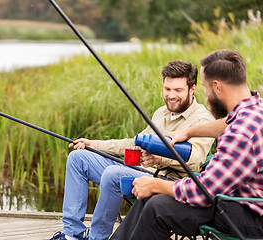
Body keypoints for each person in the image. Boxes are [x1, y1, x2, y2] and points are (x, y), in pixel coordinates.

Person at [50, 60, 215, 240]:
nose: (171, 95)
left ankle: (97, 238)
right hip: (142, 171)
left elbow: (197, 158)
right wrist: (96, 144)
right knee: (78, 158)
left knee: (113, 174)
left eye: (178, 90)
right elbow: (136, 143)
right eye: (167, 89)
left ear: (192, 89)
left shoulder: (203, 119)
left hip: (168, 182)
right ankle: (71, 235)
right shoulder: (161, 113)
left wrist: (161, 159)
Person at [110, 49, 263, 240]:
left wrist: (156, 184)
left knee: (159, 207)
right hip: (238, 202)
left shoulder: (241, 133)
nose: (206, 97)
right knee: (153, 198)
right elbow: (225, 123)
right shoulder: (255, 109)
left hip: (249, 215)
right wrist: (187, 132)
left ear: (217, 87)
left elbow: (204, 190)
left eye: (206, 88)